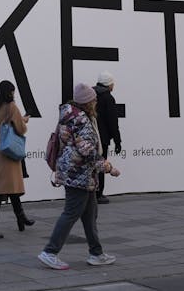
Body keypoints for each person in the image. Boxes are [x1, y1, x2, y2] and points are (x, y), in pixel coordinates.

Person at [37, 82, 119, 271]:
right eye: (94, 98)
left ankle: (96, 253)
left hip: (77, 172)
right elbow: (87, 151)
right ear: (88, 102)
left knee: (90, 215)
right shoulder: (81, 120)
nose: (96, 101)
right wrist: (108, 167)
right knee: (71, 213)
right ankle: (50, 252)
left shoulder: (69, 115)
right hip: (78, 173)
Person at [0, 79, 33, 239]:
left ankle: (21, 218)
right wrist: (24, 120)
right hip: (7, 154)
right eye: (12, 91)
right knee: (1, 189)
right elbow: (21, 129)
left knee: (11, 186)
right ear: (9, 92)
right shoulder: (11, 107)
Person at [94, 72, 122, 203]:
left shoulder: (91, 95)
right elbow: (112, 122)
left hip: (89, 136)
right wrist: (117, 141)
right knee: (102, 163)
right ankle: (98, 194)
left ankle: (90, 192)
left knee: (91, 164)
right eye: (112, 83)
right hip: (102, 138)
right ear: (108, 84)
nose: (113, 85)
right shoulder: (108, 98)